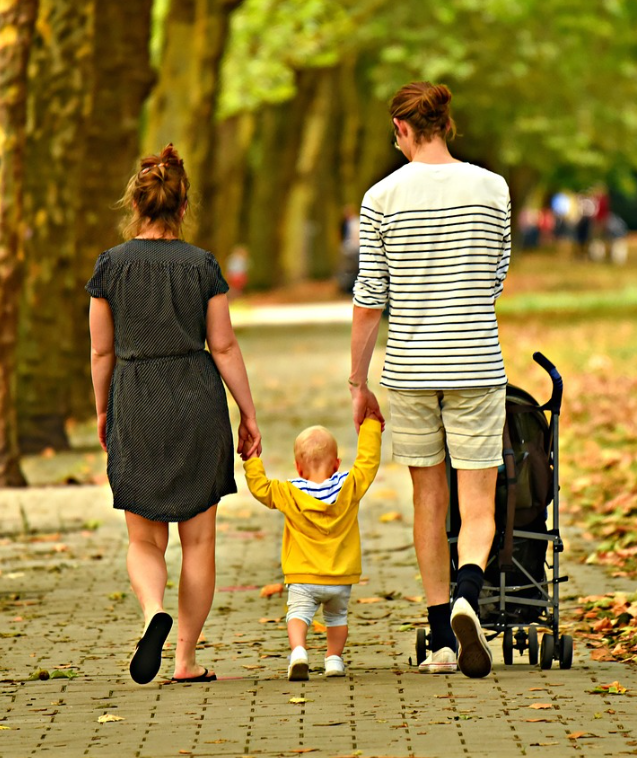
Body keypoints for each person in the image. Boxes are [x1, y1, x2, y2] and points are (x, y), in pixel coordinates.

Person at [349, 81, 511, 679]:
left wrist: (356, 379)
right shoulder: (492, 188)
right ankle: (471, 590)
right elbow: (497, 276)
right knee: (477, 501)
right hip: (475, 362)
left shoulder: (381, 197)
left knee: (427, 498)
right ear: (447, 124)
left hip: (410, 370)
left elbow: (370, 298)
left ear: (402, 131)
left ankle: (442, 637)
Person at [86, 144, 262, 685]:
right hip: (195, 397)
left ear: (134, 205)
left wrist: (103, 411)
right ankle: (185, 660)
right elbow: (225, 347)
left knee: (144, 540)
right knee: (200, 542)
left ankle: (151, 614)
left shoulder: (110, 268)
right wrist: (248, 414)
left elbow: (100, 352)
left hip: (136, 397)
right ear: (183, 207)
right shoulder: (202, 265)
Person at [243, 417, 382, 680]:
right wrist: (371, 426)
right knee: (337, 618)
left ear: (297, 467)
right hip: (340, 578)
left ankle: (298, 652)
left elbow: (261, 489)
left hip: (302, 577)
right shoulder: (349, 487)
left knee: (298, 615)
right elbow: (368, 464)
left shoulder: (288, 492)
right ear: (337, 464)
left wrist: (251, 458)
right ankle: (334, 660)